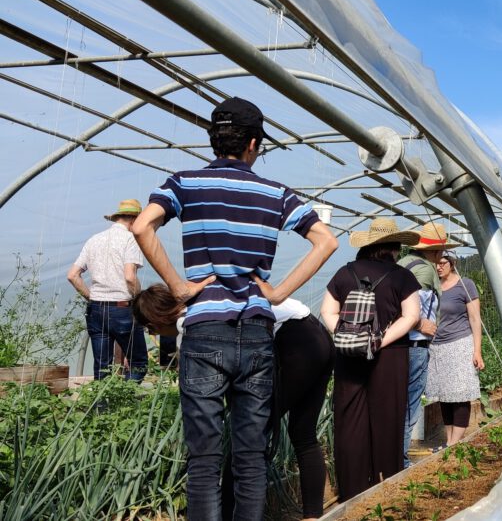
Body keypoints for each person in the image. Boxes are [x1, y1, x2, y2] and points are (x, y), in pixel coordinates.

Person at [131, 97, 338, 520]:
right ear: (254, 144)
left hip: (205, 331)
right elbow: (327, 241)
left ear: (214, 140)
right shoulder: (276, 193)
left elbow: (141, 225)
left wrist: (177, 285)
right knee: (250, 456)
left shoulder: (182, 182)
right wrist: (277, 293)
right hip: (258, 334)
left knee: (205, 461)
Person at [132, 284, 334, 521]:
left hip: (294, 346)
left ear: (153, 323)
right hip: (317, 337)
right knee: (303, 434)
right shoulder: (206, 296)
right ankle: (313, 516)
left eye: (149, 330)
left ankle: (229, 515)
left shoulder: (190, 322)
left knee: (247, 441)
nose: (152, 335)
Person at [320, 218, 421, 501]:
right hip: (389, 357)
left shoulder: (344, 272)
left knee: (349, 421)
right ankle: (387, 490)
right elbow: (411, 316)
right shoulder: (402, 276)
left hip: (348, 354)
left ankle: (352, 494)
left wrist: (346, 336)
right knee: (388, 420)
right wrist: (378, 341)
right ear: (394, 247)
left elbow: (327, 311)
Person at [397, 222, 459, 467]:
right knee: (409, 408)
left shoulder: (403, 263)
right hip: (414, 346)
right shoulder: (423, 271)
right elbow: (405, 306)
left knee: (395, 404)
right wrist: (419, 323)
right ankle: (400, 461)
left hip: (397, 345)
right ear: (436, 252)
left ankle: (390, 458)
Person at [67, 199, 148, 381]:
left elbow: (73, 275)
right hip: (122, 309)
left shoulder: (94, 239)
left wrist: (91, 297)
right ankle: (124, 402)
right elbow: (129, 276)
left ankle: (101, 408)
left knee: (102, 367)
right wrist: (140, 300)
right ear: (134, 220)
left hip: (96, 309)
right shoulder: (131, 239)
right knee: (138, 363)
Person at [427, 252, 484, 446]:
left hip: (460, 343)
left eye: (442, 263)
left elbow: (475, 319)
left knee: (459, 394)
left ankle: (453, 443)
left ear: (452, 263)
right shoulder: (433, 287)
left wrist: (477, 350)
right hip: (437, 346)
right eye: (436, 263)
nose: (438, 267)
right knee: (445, 395)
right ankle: (450, 441)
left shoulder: (465, 285)